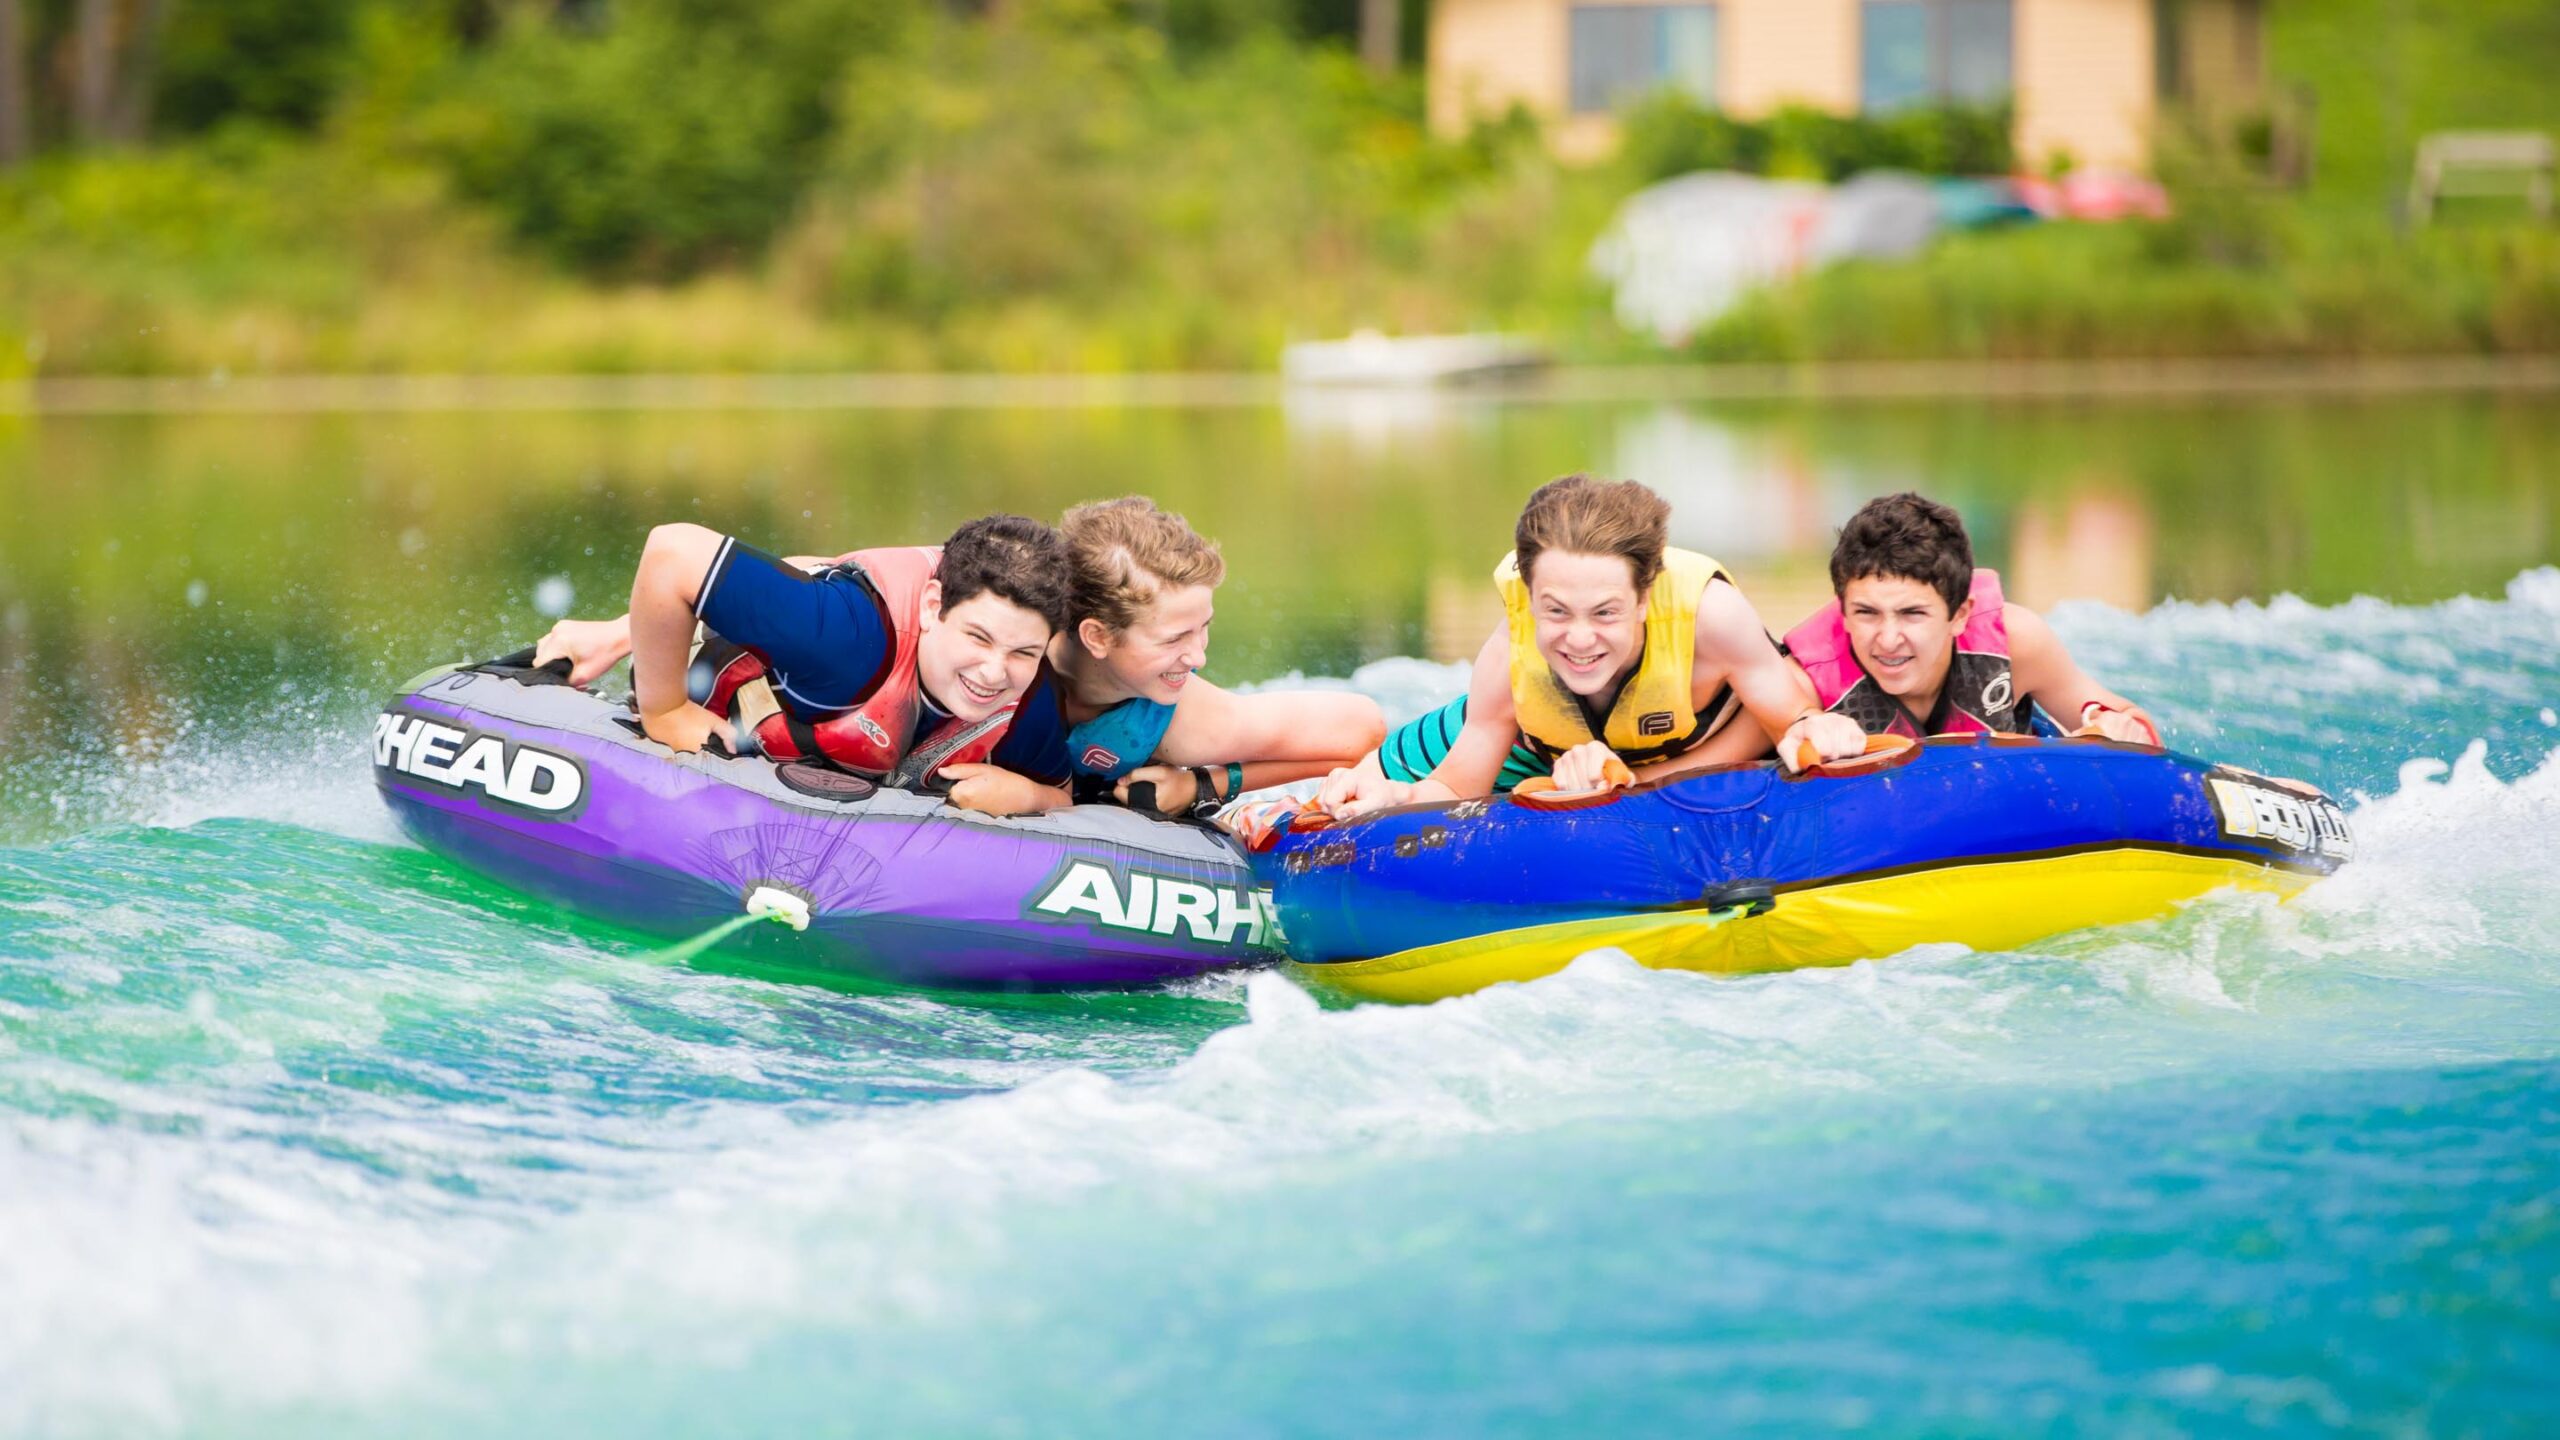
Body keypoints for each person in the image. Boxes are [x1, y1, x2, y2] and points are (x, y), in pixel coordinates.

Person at [1317, 475, 1862, 819]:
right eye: (1555, 611)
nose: (1579, 639)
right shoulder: (1511, 650)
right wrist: (1399, 800)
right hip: (1540, 751)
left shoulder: (1711, 619)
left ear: (1646, 597)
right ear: (1530, 597)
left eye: (1604, 612)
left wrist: (1814, 729)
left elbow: (1792, 720)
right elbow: (1459, 785)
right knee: (1361, 789)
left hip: (1686, 750)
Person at [532, 516, 1078, 815]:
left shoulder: (1026, 698)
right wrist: (665, 708)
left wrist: (1031, 795)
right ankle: (613, 635)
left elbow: (1064, 792)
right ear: (934, 607)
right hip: (728, 678)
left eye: (1022, 653)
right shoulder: (848, 641)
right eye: (978, 638)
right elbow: (672, 550)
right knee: (808, 606)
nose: (993, 671)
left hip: (816, 606)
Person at [1021, 496, 1387, 819]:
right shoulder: (996, 665)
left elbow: (1362, 732)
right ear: (1097, 636)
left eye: (1203, 628)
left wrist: (1201, 786)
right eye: (1175, 639)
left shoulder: (1183, 724)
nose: (1198, 658)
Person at [1779, 491, 2160, 759]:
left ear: (1960, 615)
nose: (1889, 639)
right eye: (1866, 613)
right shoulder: (1801, 683)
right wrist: (1799, 730)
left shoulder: (2016, 642)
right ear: (1843, 612)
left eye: (1913, 614)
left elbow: (2124, 720)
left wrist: (2117, 726)